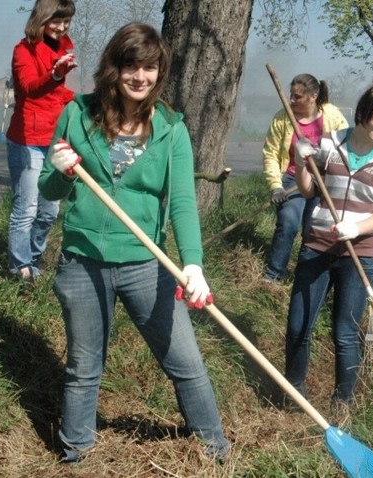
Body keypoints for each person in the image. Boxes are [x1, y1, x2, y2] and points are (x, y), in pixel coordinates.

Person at [38, 23, 230, 463]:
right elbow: (50, 191)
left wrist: (194, 265)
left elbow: (182, 203)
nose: (139, 76)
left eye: (149, 67)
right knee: (84, 368)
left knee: (186, 363)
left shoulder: (171, 129)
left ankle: (216, 451)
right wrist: (60, 168)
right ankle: (76, 454)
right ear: (115, 68)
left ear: (159, 72)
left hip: (147, 263)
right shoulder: (77, 114)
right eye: (131, 66)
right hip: (82, 261)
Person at [285, 85, 373, 406]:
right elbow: (309, 190)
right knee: (299, 326)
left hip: (360, 255)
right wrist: (299, 160)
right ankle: (293, 394)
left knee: (346, 334)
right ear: (363, 114)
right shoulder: (331, 141)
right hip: (317, 247)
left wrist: (356, 227)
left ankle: (343, 402)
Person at [6, 0, 78, 280]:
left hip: (54, 139)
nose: (61, 28)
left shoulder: (61, 50)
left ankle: (35, 257)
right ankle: (20, 267)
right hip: (27, 140)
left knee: (49, 210)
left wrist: (89, 101)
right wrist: (56, 75)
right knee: (27, 209)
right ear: (42, 18)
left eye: (66, 21)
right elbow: (29, 88)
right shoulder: (22, 50)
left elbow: (57, 96)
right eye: (56, 21)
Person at [262, 74, 348, 282]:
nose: (292, 100)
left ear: (313, 96)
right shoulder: (282, 118)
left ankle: (304, 275)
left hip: (323, 181)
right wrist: (276, 186)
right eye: (291, 95)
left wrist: (330, 172)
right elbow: (271, 153)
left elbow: (347, 145)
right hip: (292, 180)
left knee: (313, 230)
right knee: (288, 223)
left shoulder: (332, 116)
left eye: (297, 96)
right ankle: (273, 275)